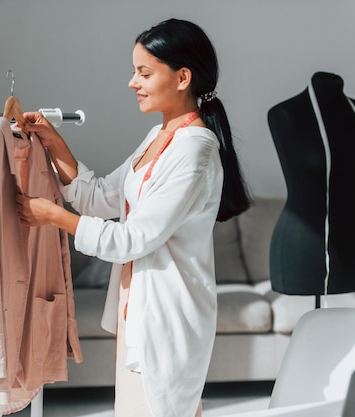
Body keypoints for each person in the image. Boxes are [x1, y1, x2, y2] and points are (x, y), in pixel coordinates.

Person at [16, 18, 251, 417]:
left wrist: (53, 216)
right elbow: (102, 197)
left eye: (144, 72)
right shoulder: (159, 138)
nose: (132, 82)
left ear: (182, 77)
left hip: (168, 318)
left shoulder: (194, 151)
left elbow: (133, 239)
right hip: (140, 313)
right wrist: (56, 145)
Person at [268, 72, 355, 296]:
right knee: (312, 324)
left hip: (350, 240)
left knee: (333, 322)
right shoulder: (285, 114)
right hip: (301, 241)